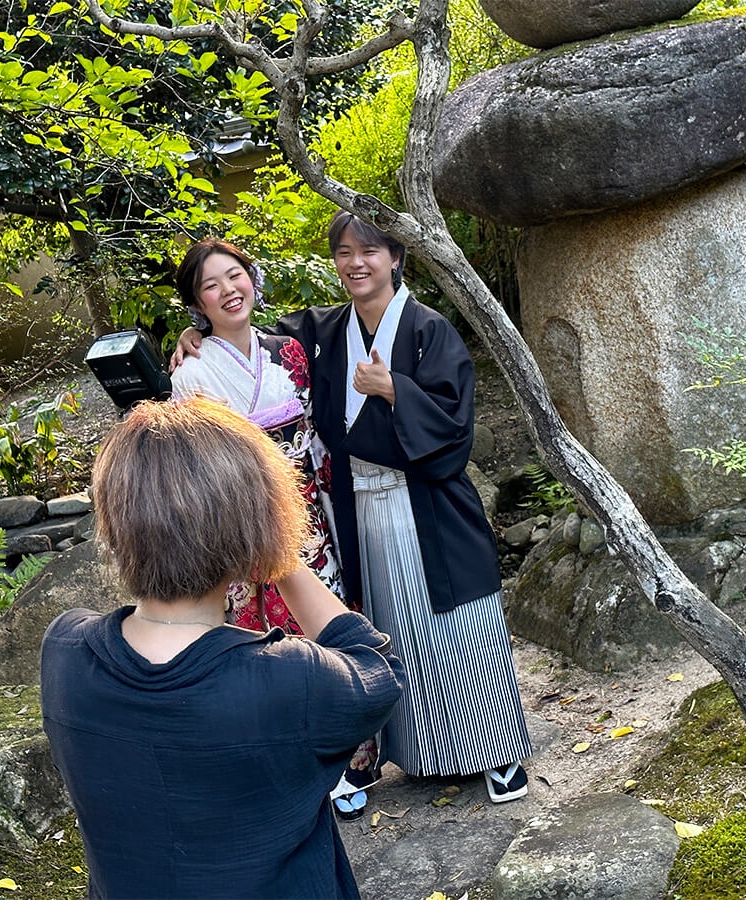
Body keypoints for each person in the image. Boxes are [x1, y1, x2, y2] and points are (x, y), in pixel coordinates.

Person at [172, 211, 532, 803]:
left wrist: (395, 389)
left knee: (461, 628)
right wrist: (195, 337)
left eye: (369, 250)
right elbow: (250, 333)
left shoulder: (428, 328)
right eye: (344, 253)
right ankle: (424, 754)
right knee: (391, 632)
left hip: (426, 501)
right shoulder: (322, 332)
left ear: (396, 258)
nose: (356, 263)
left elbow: (456, 426)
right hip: (357, 509)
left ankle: (500, 756)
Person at [40, 397, 403, 899]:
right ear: (253, 530)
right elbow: (377, 667)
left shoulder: (63, 651)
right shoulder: (290, 680)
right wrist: (281, 552)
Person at [169, 237, 378, 819]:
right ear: (197, 303)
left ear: (252, 281)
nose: (227, 290)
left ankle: (346, 765)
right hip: (241, 521)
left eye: (235, 276)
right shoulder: (193, 373)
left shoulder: (290, 349)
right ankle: (292, 767)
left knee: (327, 625)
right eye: (211, 285)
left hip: (310, 511)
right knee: (262, 642)